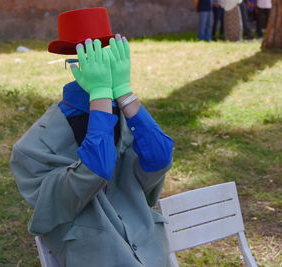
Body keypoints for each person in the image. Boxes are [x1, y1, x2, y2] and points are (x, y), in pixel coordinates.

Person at [10, 8, 175, 267]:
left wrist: (123, 92)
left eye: (105, 53)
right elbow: (96, 170)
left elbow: (160, 157)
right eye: (89, 56)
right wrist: (99, 94)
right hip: (98, 255)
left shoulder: (124, 117)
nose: (100, 61)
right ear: (73, 63)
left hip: (149, 251)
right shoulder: (33, 148)